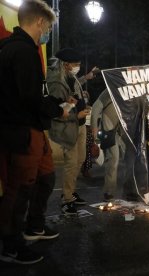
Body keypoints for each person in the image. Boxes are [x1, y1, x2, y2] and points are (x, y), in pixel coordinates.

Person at [0, 0, 68, 264]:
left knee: (46, 177)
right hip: (22, 132)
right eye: (48, 26)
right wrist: (57, 109)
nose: (47, 31)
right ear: (40, 21)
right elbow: (31, 97)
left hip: (32, 130)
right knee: (19, 190)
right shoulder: (22, 51)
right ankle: (11, 245)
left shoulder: (18, 49)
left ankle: (34, 226)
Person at [47, 48, 96, 215]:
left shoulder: (70, 76)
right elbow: (57, 112)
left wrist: (81, 104)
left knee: (80, 160)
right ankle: (66, 200)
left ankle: (71, 192)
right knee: (71, 163)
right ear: (66, 65)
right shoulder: (57, 83)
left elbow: (70, 98)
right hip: (70, 127)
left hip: (80, 124)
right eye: (76, 65)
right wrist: (77, 114)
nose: (78, 67)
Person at [91, 89, 124, 201]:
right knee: (113, 158)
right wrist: (94, 129)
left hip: (122, 131)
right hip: (108, 131)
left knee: (128, 158)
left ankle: (131, 190)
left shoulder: (130, 89)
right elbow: (95, 109)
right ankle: (109, 191)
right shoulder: (109, 90)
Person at [81, 91, 94, 178]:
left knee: (88, 152)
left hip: (89, 132)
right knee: (81, 151)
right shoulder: (79, 109)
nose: (85, 98)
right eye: (84, 96)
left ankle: (86, 170)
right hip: (81, 130)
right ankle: (81, 168)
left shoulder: (90, 108)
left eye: (86, 96)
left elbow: (93, 120)